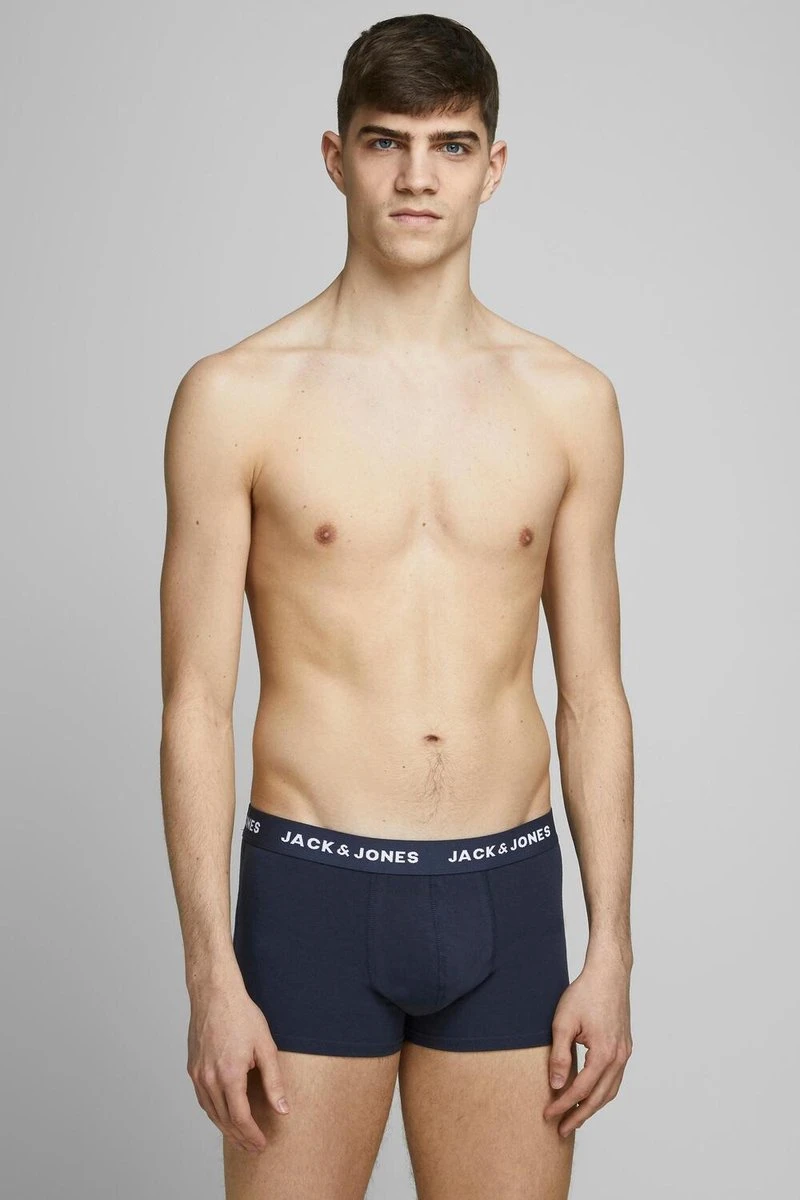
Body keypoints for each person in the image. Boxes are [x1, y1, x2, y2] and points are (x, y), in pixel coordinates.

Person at [159, 13, 634, 1199]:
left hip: (506, 895)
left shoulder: (569, 403)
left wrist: (610, 946)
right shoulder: (235, 398)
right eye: (385, 142)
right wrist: (211, 972)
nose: (417, 176)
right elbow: (195, 703)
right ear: (337, 158)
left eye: (450, 145)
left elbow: (591, 696)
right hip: (312, 895)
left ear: (492, 166)